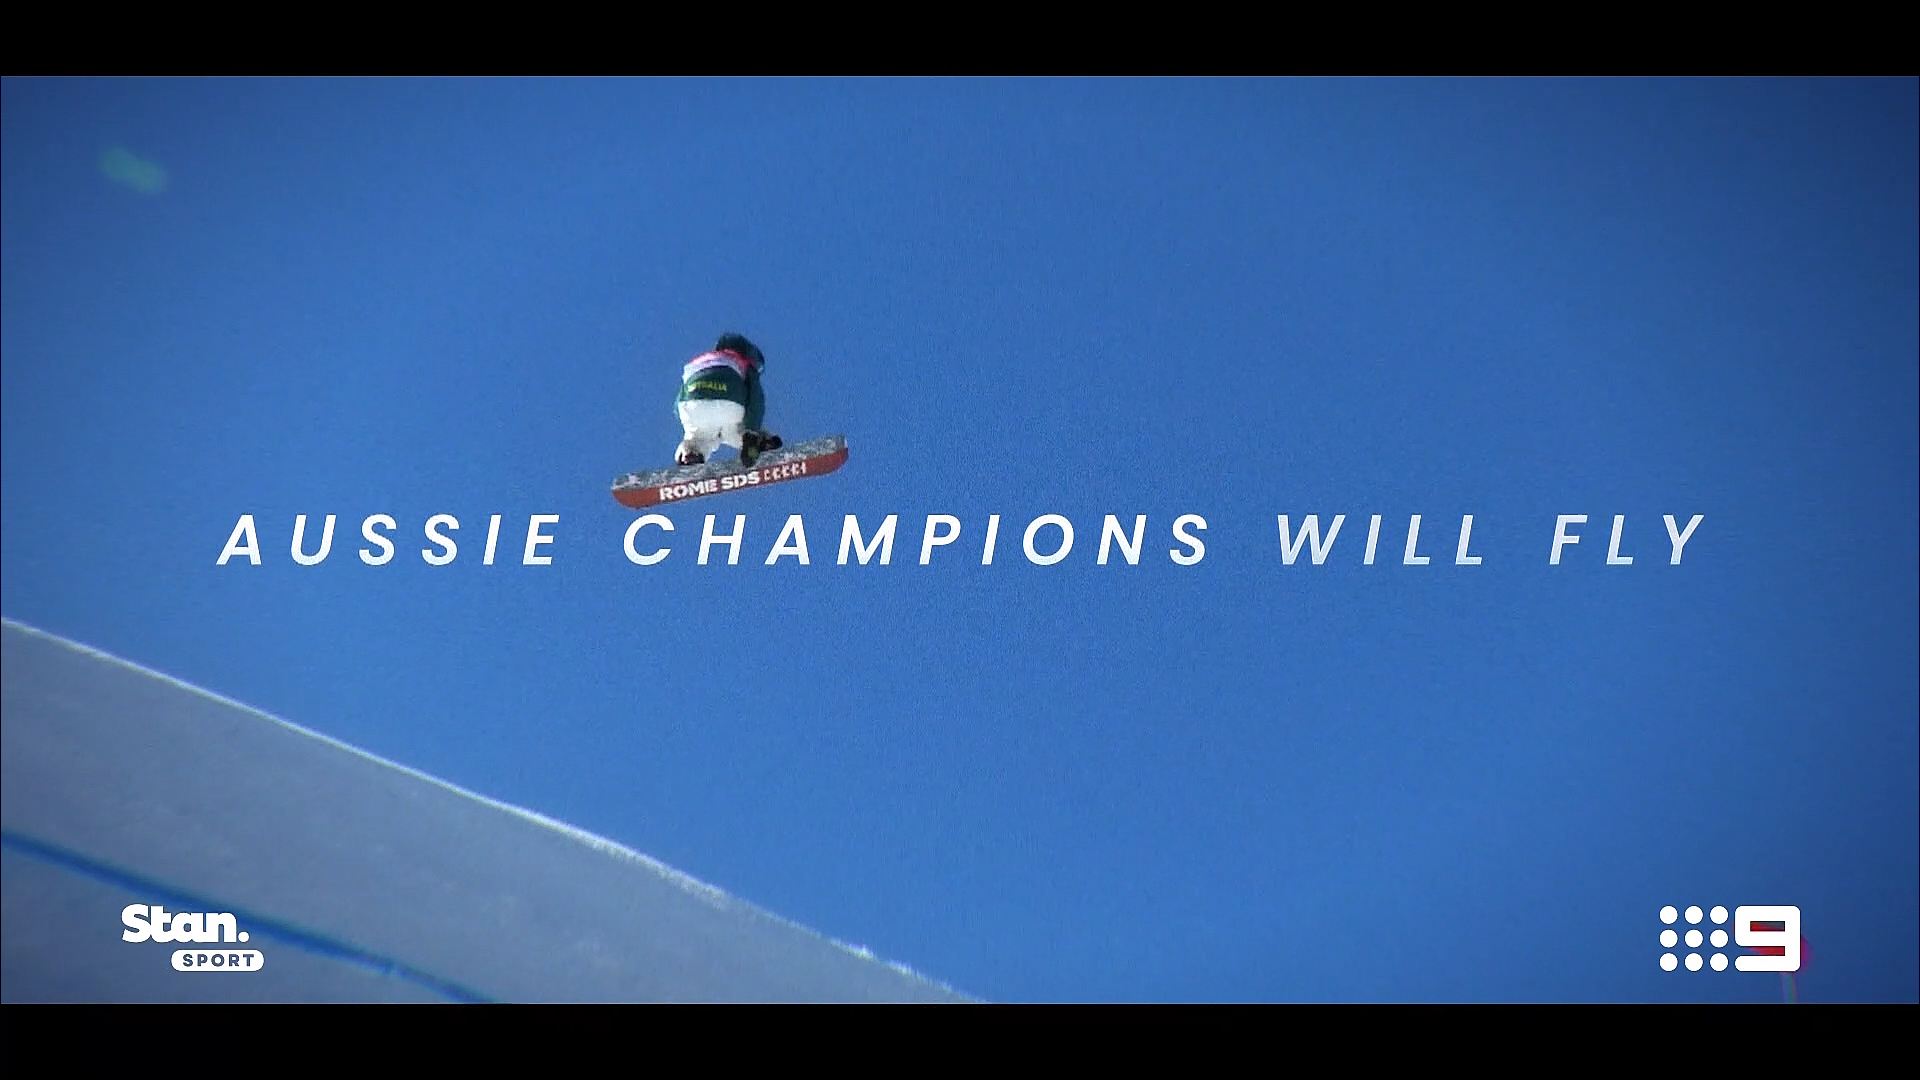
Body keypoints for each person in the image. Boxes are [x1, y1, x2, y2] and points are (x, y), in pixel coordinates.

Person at [674, 333, 783, 467]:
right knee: (736, 431)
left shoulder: (699, 361)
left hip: (693, 406)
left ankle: (691, 452)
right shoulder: (744, 364)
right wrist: (751, 432)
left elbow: (678, 403)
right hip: (729, 403)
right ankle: (760, 443)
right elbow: (756, 401)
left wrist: (689, 422)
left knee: (698, 435)